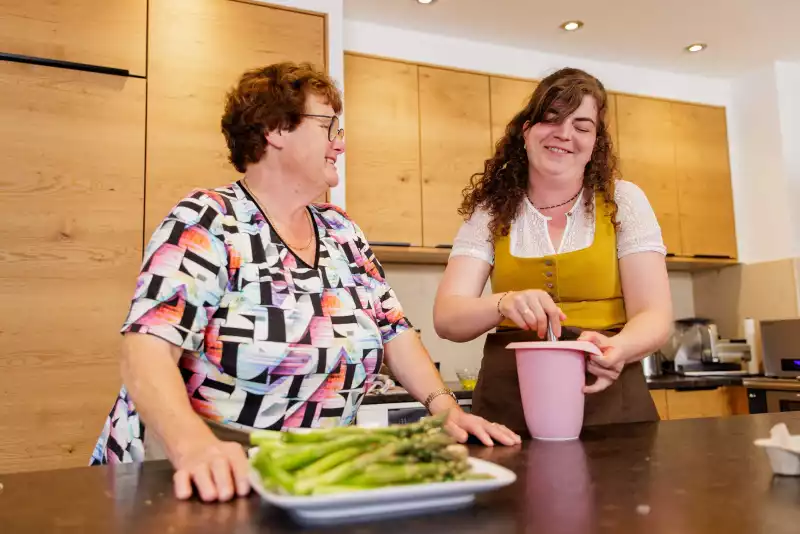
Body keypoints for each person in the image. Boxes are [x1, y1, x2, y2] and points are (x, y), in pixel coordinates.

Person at [90, 62, 520, 502]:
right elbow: (145, 348)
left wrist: (443, 408)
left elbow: (394, 331)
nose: (341, 142)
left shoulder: (340, 231)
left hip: (316, 479)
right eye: (328, 125)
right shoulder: (208, 220)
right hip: (203, 473)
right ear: (276, 128)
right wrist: (193, 446)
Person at [433, 67, 673, 436]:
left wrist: (620, 347)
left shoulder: (624, 201)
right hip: (508, 406)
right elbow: (447, 317)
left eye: (582, 125)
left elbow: (654, 314)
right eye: (551, 119)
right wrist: (503, 302)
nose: (564, 134)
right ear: (526, 131)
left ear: (596, 142)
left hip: (610, 395)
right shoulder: (491, 210)